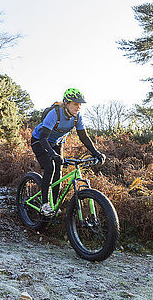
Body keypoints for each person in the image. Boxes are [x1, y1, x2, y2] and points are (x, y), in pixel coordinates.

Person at [30, 88, 106, 217]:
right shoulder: (55, 113)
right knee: (50, 167)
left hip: (56, 143)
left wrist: (96, 152)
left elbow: (84, 137)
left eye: (80, 104)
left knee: (58, 173)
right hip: (39, 141)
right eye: (75, 104)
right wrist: (53, 155)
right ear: (66, 103)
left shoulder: (77, 117)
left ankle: (53, 204)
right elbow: (43, 138)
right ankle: (44, 204)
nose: (78, 107)